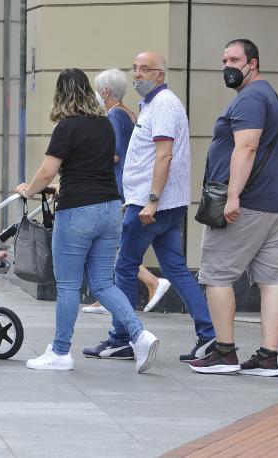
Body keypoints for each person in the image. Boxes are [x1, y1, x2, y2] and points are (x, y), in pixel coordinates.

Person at [16, 67, 159, 373]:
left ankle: (60, 352)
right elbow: (92, 167)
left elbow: (46, 171)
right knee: (103, 283)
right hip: (109, 210)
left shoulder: (67, 127)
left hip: (78, 212)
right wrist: (63, 186)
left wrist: (30, 190)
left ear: (61, 94)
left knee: (68, 286)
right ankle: (139, 334)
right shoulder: (105, 125)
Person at [83, 52, 215, 363]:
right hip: (158, 203)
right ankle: (209, 334)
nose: (138, 74)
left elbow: (164, 156)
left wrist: (152, 201)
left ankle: (123, 337)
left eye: (145, 69)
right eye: (135, 68)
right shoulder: (152, 105)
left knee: (124, 267)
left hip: (151, 204)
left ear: (159, 74)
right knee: (176, 269)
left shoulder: (165, 105)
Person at [188, 39, 278, 377]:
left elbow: (246, 148)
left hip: (247, 205)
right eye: (223, 60)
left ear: (253, 63)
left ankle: (224, 352)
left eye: (234, 60)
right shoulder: (270, 97)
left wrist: (233, 197)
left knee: (217, 276)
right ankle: (267, 357)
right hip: (275, 205)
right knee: (271, 280)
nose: (227, 66)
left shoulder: (250, 99)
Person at [81, 67, 171, 316]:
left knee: (113, 246)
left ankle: (152, 281)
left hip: (118, 189)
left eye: (96, 90)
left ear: (105, 91)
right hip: (126, 189)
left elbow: (115, 154)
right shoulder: (128, 113)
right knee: (114, 245)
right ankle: (107, 296)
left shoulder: (113, 117)